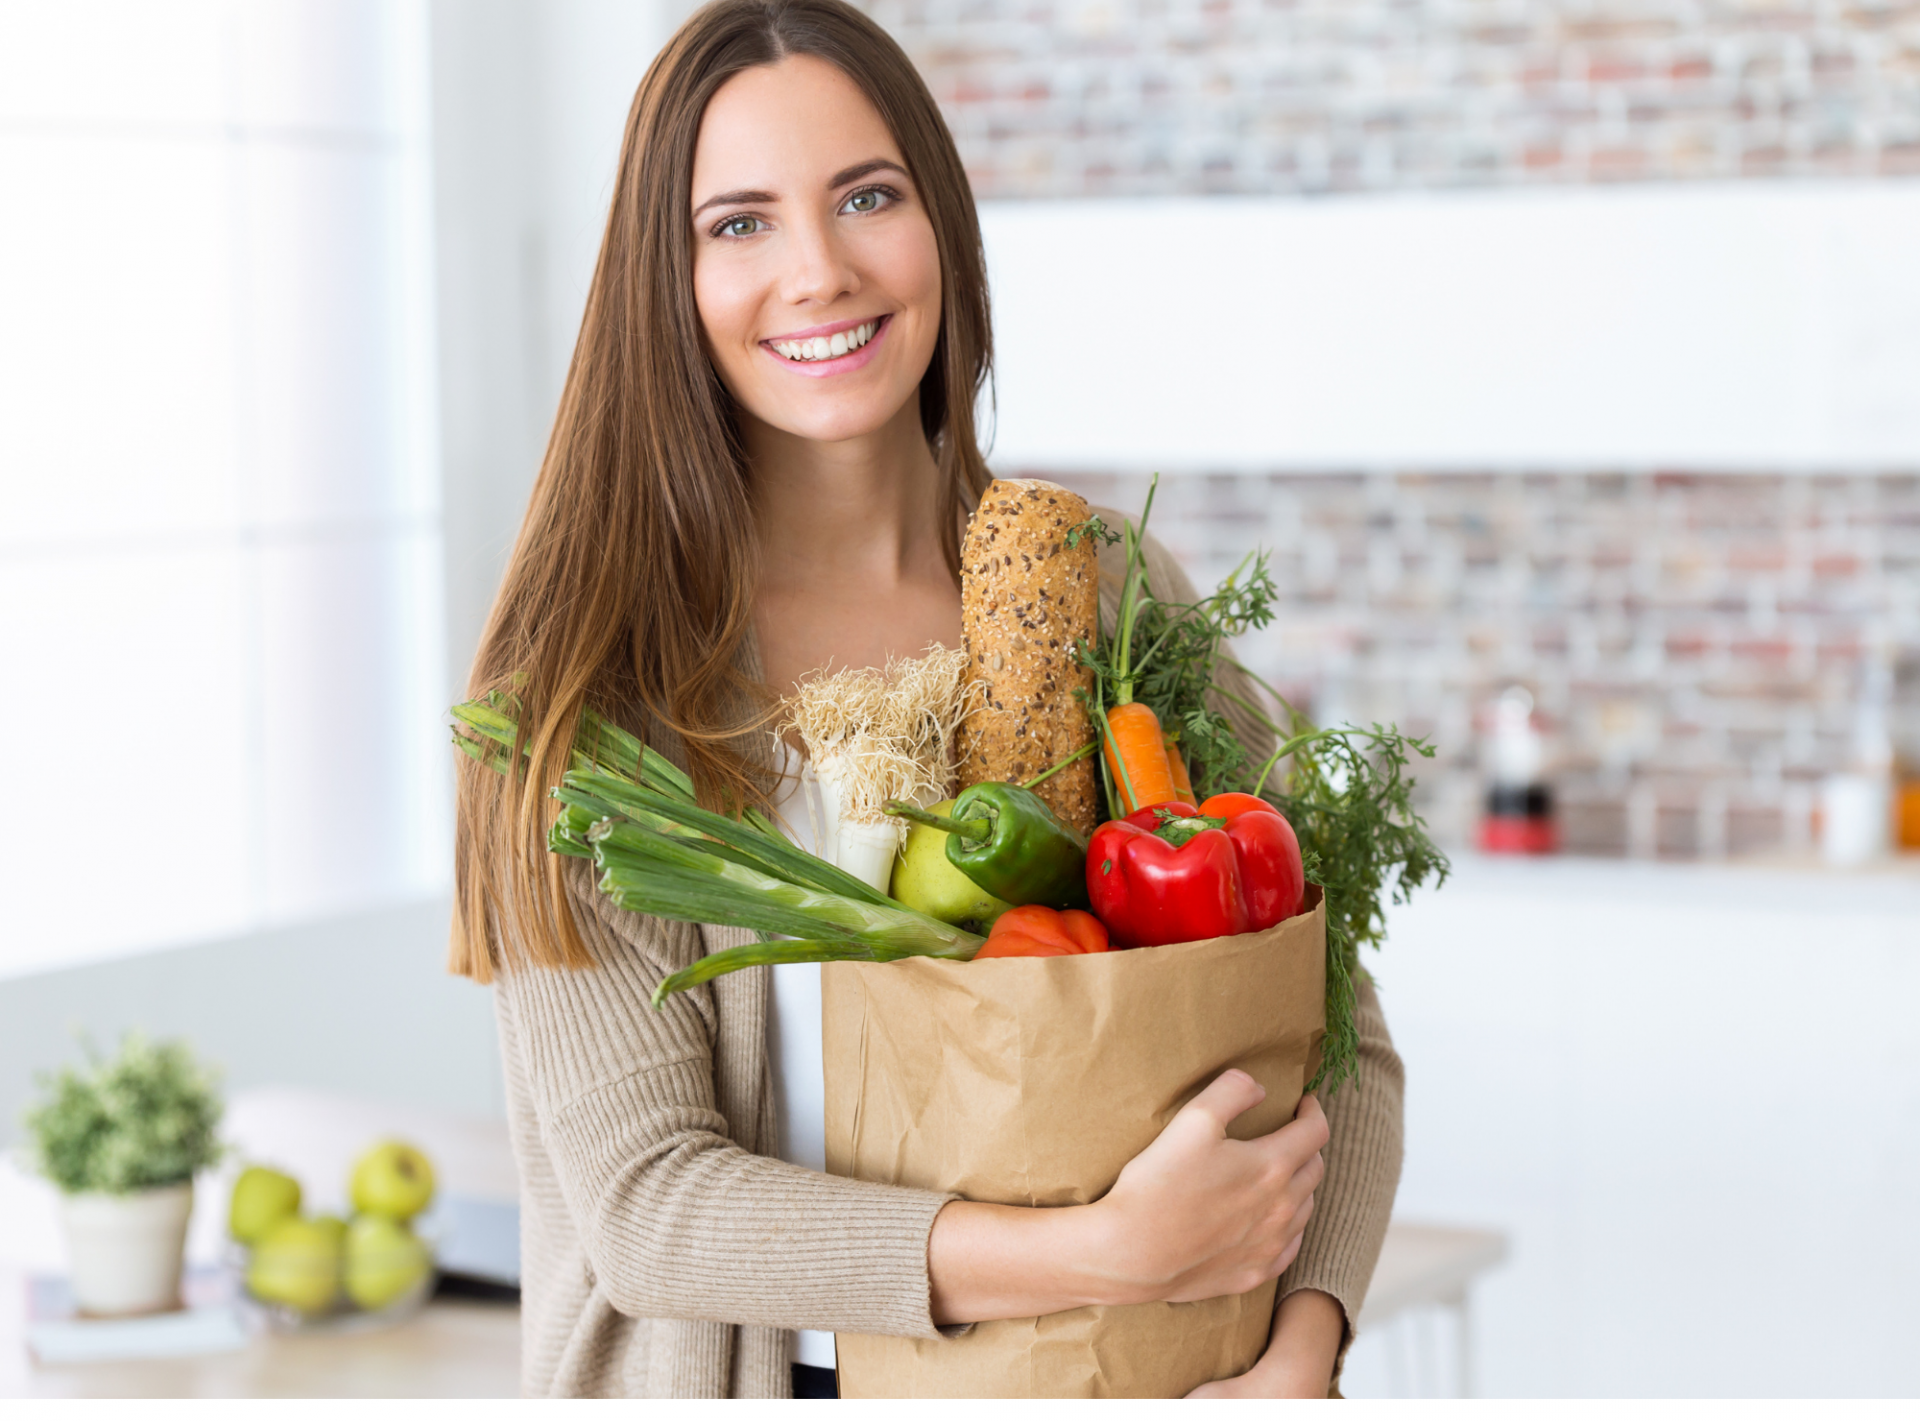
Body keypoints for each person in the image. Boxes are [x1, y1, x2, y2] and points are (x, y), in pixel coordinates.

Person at [449, 0, 1403, 1399]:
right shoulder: (594, 685)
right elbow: (650, 1210)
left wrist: (1299, 1355)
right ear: (666, 275)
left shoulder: (1114, 596)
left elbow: (1337, 1034)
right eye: (740, 224)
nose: (819, 271)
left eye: (867, 196)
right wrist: (1104, 1253)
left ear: (941, 223)